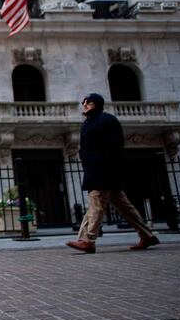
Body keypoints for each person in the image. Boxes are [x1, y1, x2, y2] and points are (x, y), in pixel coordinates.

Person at [66, 93, 160, 254]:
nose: (85, 104)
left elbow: (115, 147)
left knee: (95, 204)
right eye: (84, 102)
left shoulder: (107, 120)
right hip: (95, 170)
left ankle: (87, 240)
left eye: (89, 102)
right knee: (125, 207)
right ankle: (147, 235)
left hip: (103, 172)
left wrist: (104, 167)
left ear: (97, 104)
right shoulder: (88, 123)